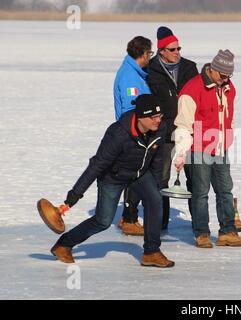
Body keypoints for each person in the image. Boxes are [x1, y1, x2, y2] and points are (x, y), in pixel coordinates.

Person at [50, 94, 174, 267]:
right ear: (141, 116)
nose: (158, 120)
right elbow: (97, 164)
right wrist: (75, 195)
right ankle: (64, 244)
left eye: (159, 116)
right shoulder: (118, 133)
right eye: (153, 117)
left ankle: (151, 252)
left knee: (155, 200)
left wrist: (158, 184)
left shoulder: (160, 128)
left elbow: (158, 159)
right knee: (103, 221)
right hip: (112, 177)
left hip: (139, 173)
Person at [173, 49, 241, 248]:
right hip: (199, 148)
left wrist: (228, 137)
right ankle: (202, 233)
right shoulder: (192, 90)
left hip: (220, 147)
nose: (226, 79)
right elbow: (183, 125)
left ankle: (228, 231)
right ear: (213, 70)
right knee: (201, 193)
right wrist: (181, 153)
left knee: (225, 191)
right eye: (223, 75)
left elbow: (227, 116)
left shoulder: (228, 87)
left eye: (229, 76)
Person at [146, 26, 198, 230]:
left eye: (178, 48)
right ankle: (161, 222)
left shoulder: (190, 68)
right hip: (164, 133)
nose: (177, 52)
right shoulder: (151, 70)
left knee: (194, 178)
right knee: (162, 178)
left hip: (188, 131)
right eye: (172, 49)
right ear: (161, 51)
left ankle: (199, 224)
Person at [113, 36, 154, 236]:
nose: (150, 57)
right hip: (132, 136)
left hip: (137, 134)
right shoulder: (130, 77)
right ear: (143, 54)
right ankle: (129, 218)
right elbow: (132, 109)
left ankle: (129, 216)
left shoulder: (136, 73)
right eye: (150, 53)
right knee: (134, 176)